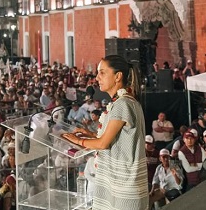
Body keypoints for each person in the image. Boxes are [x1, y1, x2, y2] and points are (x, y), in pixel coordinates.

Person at [62, 55, 148, 210]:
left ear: (118, 76)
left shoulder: (123, 104)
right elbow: (117, 140)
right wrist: (90, 135)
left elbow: (103, 144)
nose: (97, 77)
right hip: (117, 184)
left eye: (102, 72)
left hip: (123, 187)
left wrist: (77, 141)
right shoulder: (122, 101)